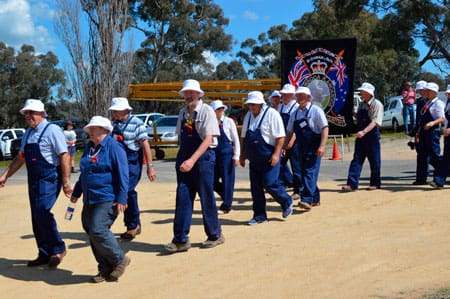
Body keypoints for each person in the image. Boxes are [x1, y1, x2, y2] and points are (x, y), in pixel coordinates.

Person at [0, 99, 72, 268]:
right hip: (33, 179)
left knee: (42, 211)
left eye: (31, 113)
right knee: (36, 215)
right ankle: (44, 253)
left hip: (50, 177)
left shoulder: (52, 130)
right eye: (26, 113)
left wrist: (66, 181)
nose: (28, 116)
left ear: (41, 113)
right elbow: (21, 157)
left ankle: (58, 248)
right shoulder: (28, 134)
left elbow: (64, 155)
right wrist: (5, 175)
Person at [164, 79, 224, 253]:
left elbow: (208, 139)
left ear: (199, 94)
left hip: (203, 160)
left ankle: (215, 234)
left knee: (206, 197)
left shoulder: (207, 112)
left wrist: (192, 160)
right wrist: (182, 159)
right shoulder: (183, 113)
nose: (189, 95)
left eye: (192, 92)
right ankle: (180, 239)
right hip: (185, 159)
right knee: (182, 197)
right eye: (186, 93)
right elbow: (181, 138)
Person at [70, 116, 130, 283]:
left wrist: (122, 197)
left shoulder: (114, 147)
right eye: (89, 129)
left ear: (104, 130)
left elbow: (124, 174)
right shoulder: (89, 148)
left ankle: (119, 259)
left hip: (107, 197)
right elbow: (85, 173)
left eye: (93, 128)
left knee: (98, 229)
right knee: (91, 231)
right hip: (90, 197)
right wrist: (77, 192)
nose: (90, 131)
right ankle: (105, 268)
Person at [239, 91, 294, 225]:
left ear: (260, 104)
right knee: (255, 188)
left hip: (269, 156)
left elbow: (280, 137)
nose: (251, 107)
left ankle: (286, 200)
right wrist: (242, 154)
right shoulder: (248, 116)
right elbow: (244, 137)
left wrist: (276, 154)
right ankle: (259, 216)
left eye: (254, 104)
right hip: (254, 158)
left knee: (270, 184)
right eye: (250, 105)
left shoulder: (272, 114)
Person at [108, 97, 156, 240]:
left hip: (132, 161)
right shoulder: (114, 124)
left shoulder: (137, 123)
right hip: (118, 162)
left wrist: (150, 167)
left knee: (127, 191)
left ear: (125, 110)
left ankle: (132, 225)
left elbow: (145, 145)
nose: (114, 113)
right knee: (121, 190)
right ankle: (134, 224)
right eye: (114, 110)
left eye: (117, 110)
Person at [284, 86, 328, 210]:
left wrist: (322, 146)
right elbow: (290, 131)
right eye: (298, 96)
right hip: (301, 147)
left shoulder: (316, 111)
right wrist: (284, 146)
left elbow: (325, 128)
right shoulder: (295, 113)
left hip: (314, 146)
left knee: (309, 172)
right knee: (305, 173)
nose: (300, 98)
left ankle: (306, 199)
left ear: (308, 97)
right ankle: (315, 198)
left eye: (302, 96)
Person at [342, 82, 384, 191]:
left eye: (363, 91)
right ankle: (352, 184)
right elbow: (360, 118)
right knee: (356, 159)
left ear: (369, 93)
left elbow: (375, 122)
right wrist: (353, 114)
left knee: (374, 160)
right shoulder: (361, 104)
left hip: (372, 136)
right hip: (361, 137)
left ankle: (375, 183)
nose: (361, 93)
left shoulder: (377, 104)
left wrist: (364, 131)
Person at [210, 100, 240, 214]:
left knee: (228, 180)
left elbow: (235, 139)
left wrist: (236, 156)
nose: (221, 111)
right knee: (212, 180)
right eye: (218, 109)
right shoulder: (210, 122)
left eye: (222, 109)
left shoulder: (229, 122)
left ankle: (226, 205)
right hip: (213, 152)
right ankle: (227, 195)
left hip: (227, 153)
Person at [413, 82, 444, 185]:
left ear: (434, 92)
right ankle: (421, 179)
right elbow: (421, 119)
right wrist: (417, 133)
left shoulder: (438, 103)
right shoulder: (427, 103)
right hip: (423, 132)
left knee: (434, 155)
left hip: (432, 132)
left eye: (428, 90)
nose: (425, 92)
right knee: (422, 155)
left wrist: (432, 123)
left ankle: (439, 178)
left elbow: (442, 118)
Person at [278, 83, 298, 194]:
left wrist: (291, 141)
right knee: (280, 165)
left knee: (296, 166)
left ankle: (298, 190)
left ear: (291, 95)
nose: (283, 96)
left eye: (286, 94)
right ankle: (281, 189)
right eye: (283, 94)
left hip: (293, 140)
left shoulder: (295, 106)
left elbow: (295, 126)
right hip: (283, 139)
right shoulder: (281, 107)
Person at [431, 84, 450, 189]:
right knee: (446, 158)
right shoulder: (448, 103)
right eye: (448, 93)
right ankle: (439, 181)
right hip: (448, 135)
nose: (448, 94)